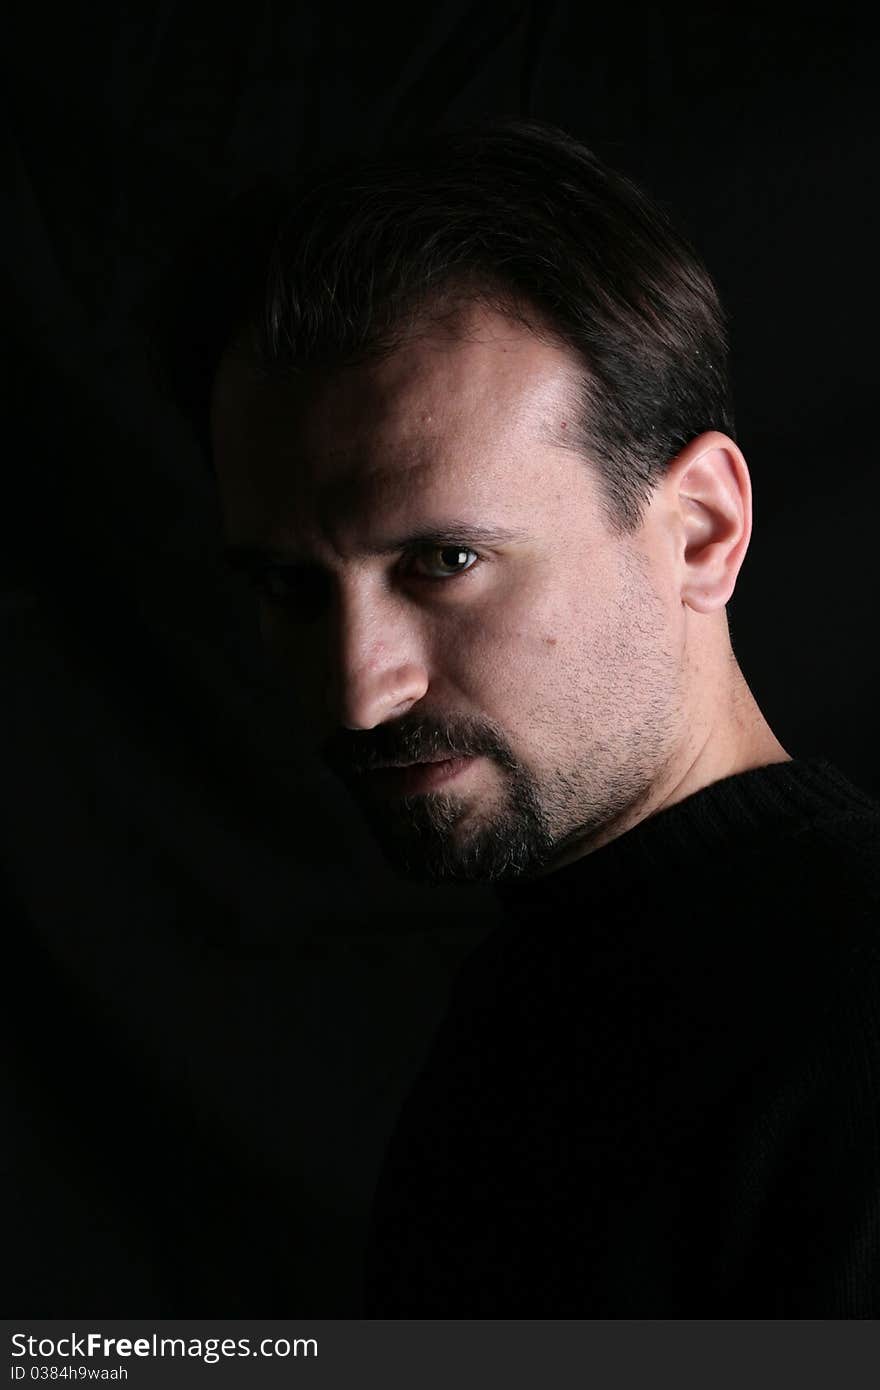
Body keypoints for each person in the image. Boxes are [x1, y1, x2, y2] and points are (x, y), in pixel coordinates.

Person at [158, 118, 880, 1314]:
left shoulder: (854, 1029)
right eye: (292, 586)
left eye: (444, 558)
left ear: (700, 529)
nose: (358, 690)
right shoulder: (544, 981)